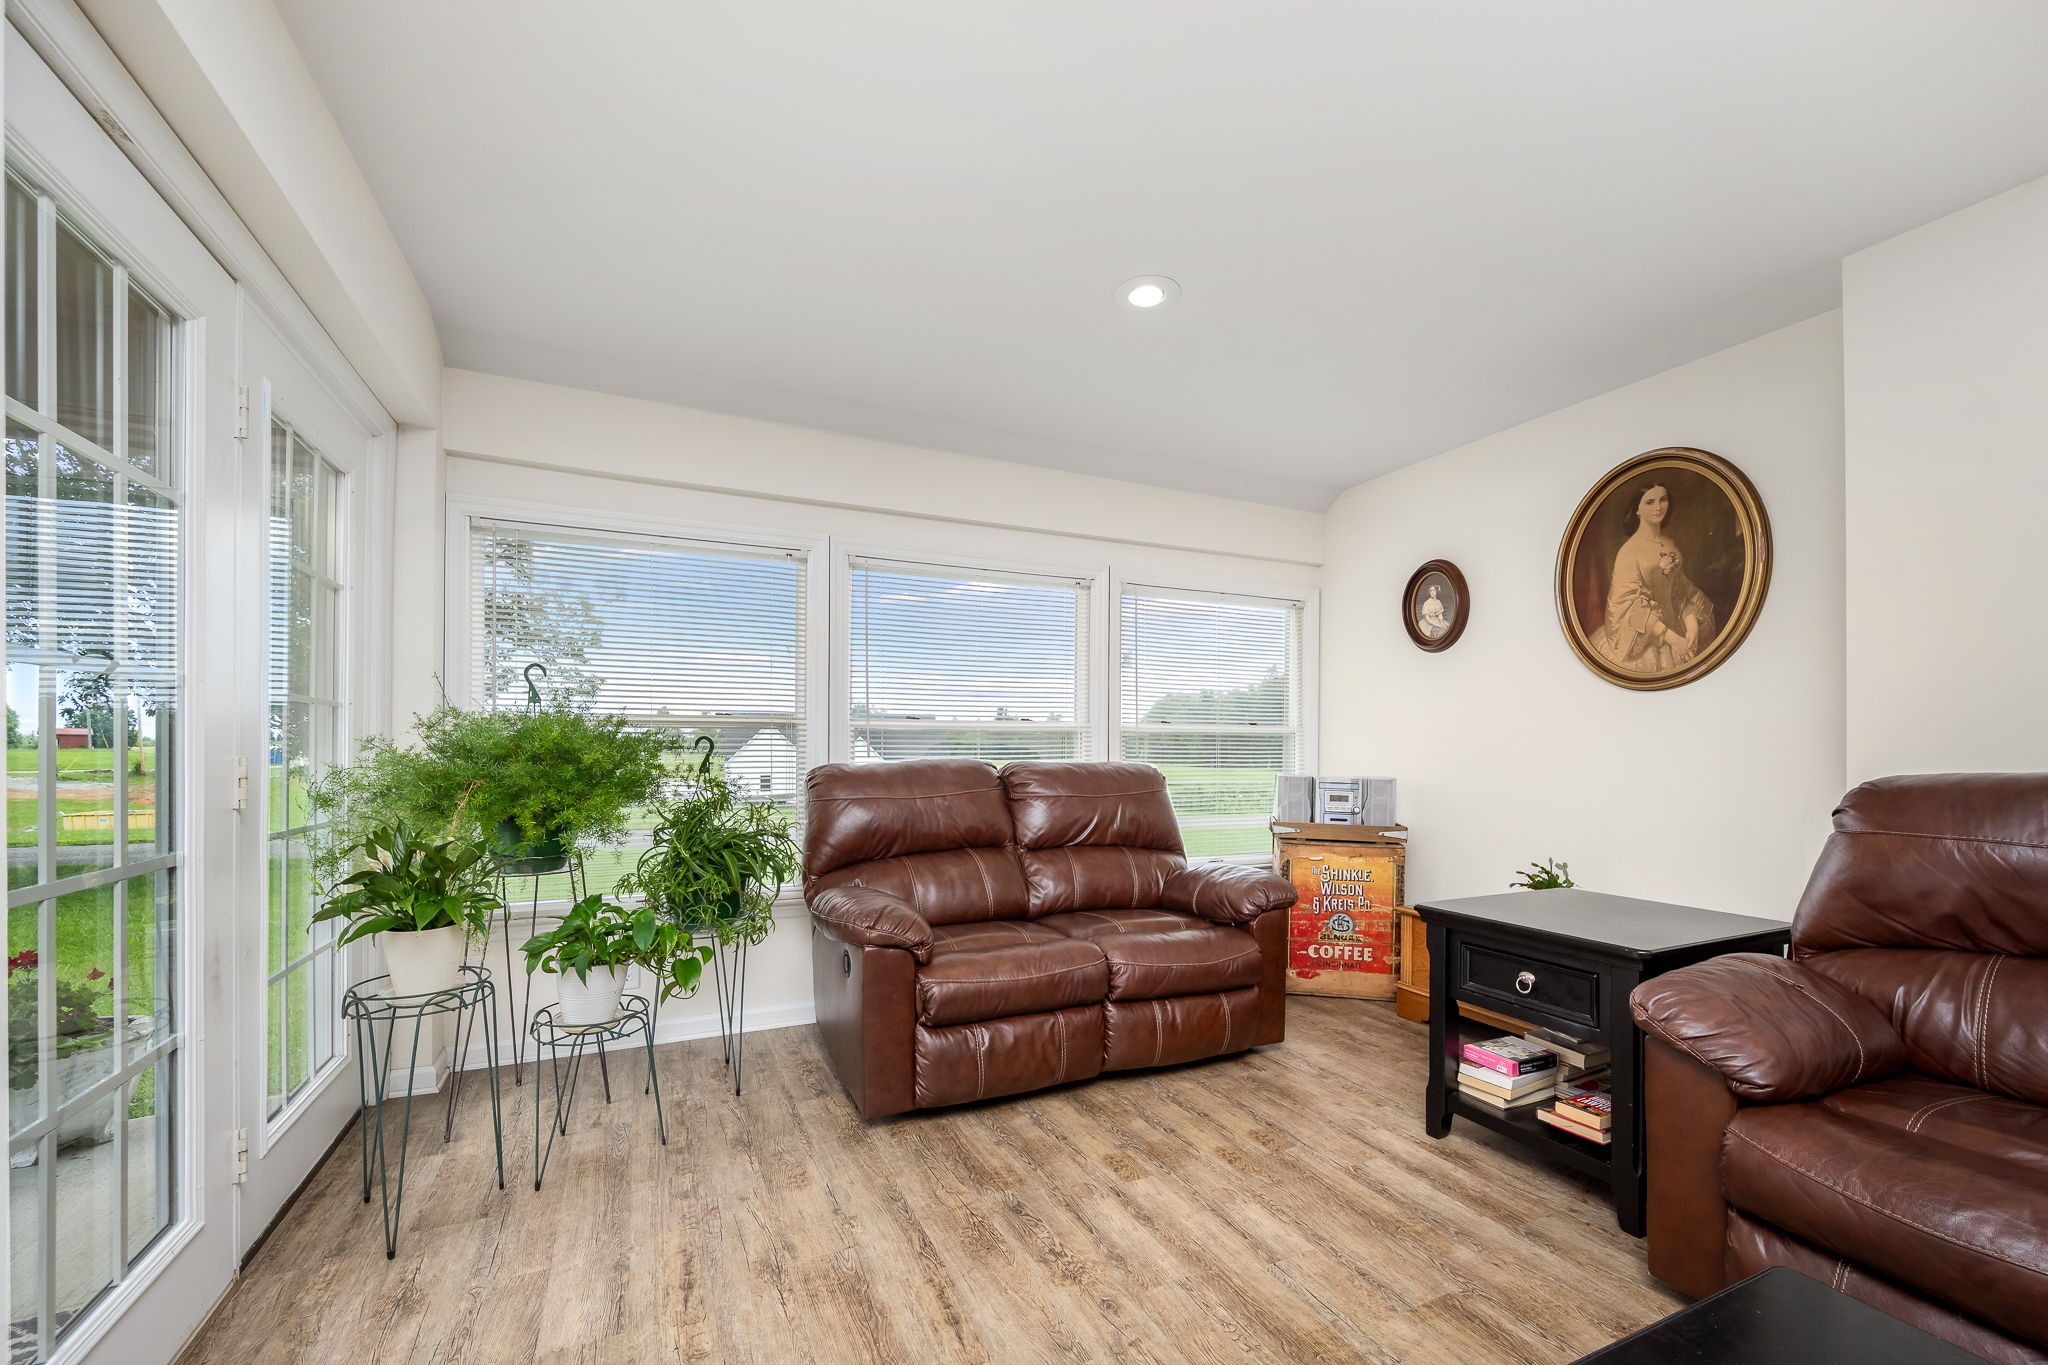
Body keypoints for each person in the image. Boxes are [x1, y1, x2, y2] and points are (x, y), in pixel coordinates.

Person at [1592, 483, 1716, 673]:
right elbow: (1627, 606)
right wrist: (1673, 639)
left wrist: (1691, 623)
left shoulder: (1670, 544)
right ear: (1637, 510)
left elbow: (1680, 589)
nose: (1658, 507)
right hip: (1648, 639)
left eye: (1663, 500)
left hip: (1678, 629)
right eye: (1650, 502)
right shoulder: (1628, 552)